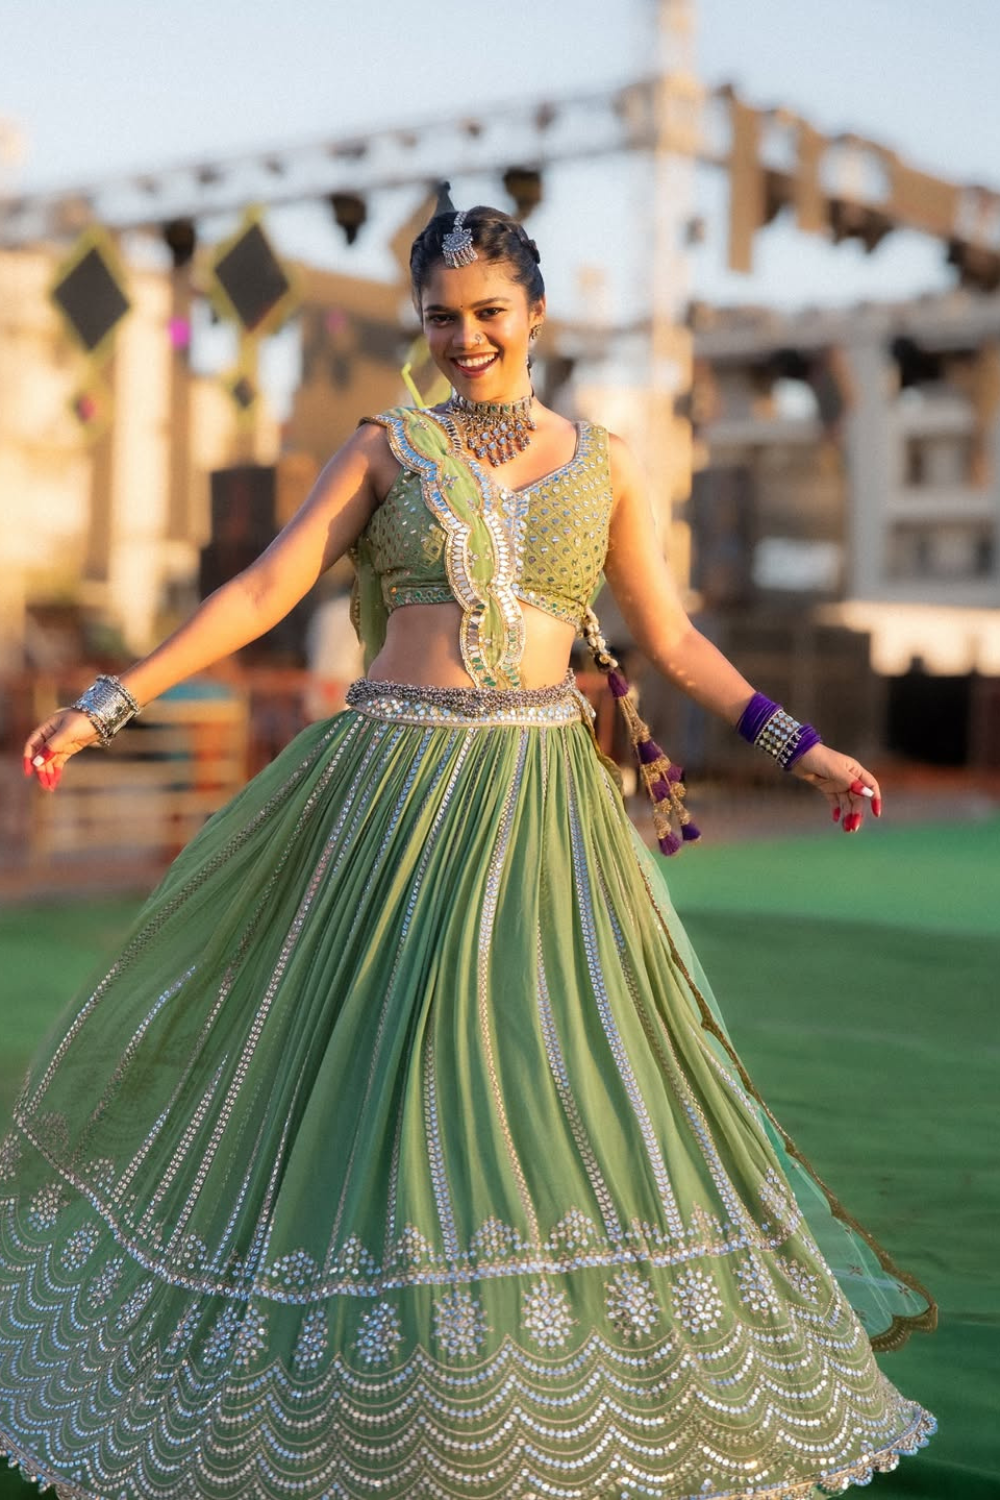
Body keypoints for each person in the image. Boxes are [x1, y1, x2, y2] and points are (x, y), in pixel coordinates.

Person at [4, 193, 936, 1500]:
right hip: (384, 794)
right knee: (371, 1084)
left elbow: (675, 646)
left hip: (538, 805)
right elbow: (265, 586)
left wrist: (804, 745)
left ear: (536, 313)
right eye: (442, 317)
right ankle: (355, 1385)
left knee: (537, 1084)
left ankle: (500, 1381)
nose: (466, 338)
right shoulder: (387, 447)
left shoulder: (606, 463)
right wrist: (114, 699)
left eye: (489, 313)